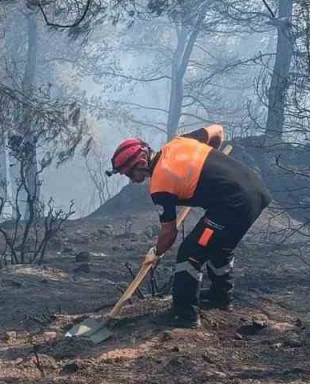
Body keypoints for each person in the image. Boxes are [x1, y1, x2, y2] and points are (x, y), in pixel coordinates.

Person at [108, 125, 271, 328]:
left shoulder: (160, 184)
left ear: (141, 162)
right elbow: (217, 130)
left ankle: (185, 315)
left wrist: (155, 252)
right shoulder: (180, 142)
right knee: (219, 246)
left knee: (191, 252)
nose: (130, 179)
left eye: (129, 173)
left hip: (232, 205)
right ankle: (220, 298)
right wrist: (206, 161)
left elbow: (169, 233)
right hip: (255, 191)